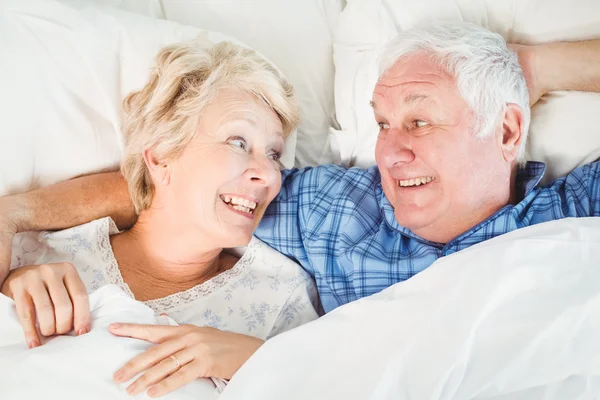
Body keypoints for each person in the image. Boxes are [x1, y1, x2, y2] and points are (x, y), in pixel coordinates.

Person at [1, 22, 600, 388]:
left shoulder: (573, 213)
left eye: (419, 120)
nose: (390, 152)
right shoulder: (335, 210)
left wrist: (532, 67)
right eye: (383, 124)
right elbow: (182, 194)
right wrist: (10, 223)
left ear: (506, 131)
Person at [0, 40, 320, 397]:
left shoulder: (279, 297)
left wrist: (257, 360)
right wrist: (7, 294)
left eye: (274, 153)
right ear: (162, 158)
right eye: (238, 142)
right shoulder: (43, 251)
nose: (271, 175)